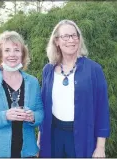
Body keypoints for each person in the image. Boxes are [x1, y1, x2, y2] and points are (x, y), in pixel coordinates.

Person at [37, 19, 110, 158]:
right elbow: (44, 109)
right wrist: (39, 141)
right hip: (53, 135)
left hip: (82, 136)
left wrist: (100, 147)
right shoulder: (48, 70)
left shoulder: (94, 69)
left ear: (79, 38)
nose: (71, 40)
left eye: (74, 35)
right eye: (65, 36)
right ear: (56, 41)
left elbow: (102, 109)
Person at [0, 31, 44, 158]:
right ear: (0, 54)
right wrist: (5, 116)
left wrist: (33, 117)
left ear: (22, 54)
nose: (12, 54)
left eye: (16, 50)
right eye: (7, 50)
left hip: (27, 153)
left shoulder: (33, 82)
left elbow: (40, 112)